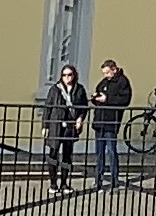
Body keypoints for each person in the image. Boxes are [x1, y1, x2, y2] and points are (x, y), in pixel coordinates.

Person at [44, 63, 89, 189]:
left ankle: (64, 183)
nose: (67, 77)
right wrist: (45, 126)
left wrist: (80, 119)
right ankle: (53, 183)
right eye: (64, 75)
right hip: (56, 125)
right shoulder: (55, 89)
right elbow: (48, 107)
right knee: (53, 153)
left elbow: (84, 107)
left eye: (70, 75)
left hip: (70, 126)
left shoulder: (79, 89)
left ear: (74, 76)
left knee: (67, 155)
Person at [90, 58, 134, 186]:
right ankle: (98, 179)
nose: (105, 76)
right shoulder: (104, 82)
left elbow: (125, 100)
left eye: (107, 73)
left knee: (111, 151)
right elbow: (99, 93)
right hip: (99, 121)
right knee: (99, 153)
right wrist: (95, 98)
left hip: (111, 122)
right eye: (104, 73)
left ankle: (114, 179)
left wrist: (107, 99)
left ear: (114, 70)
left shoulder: (122, 82)